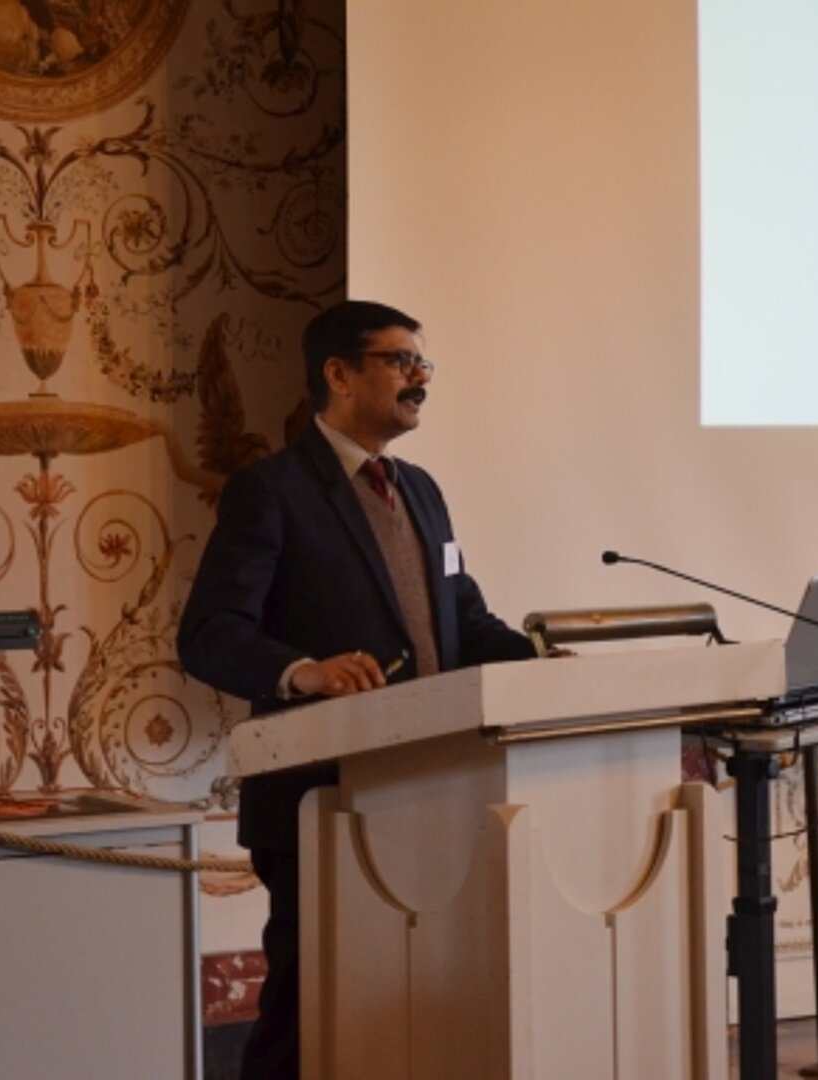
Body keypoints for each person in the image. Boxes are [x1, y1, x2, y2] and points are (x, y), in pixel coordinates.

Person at [178, 299, 535, 1079]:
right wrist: (301, 671)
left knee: (403, 1005)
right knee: (305, 1009)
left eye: (422, 363)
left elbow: (462, 621)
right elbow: (209, 633)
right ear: (338, 375)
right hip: (319, 796)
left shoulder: (422, 491)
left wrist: (545, 659)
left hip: (432, 788)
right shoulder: (270, 489)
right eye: (400, 361)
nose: (419, 378)